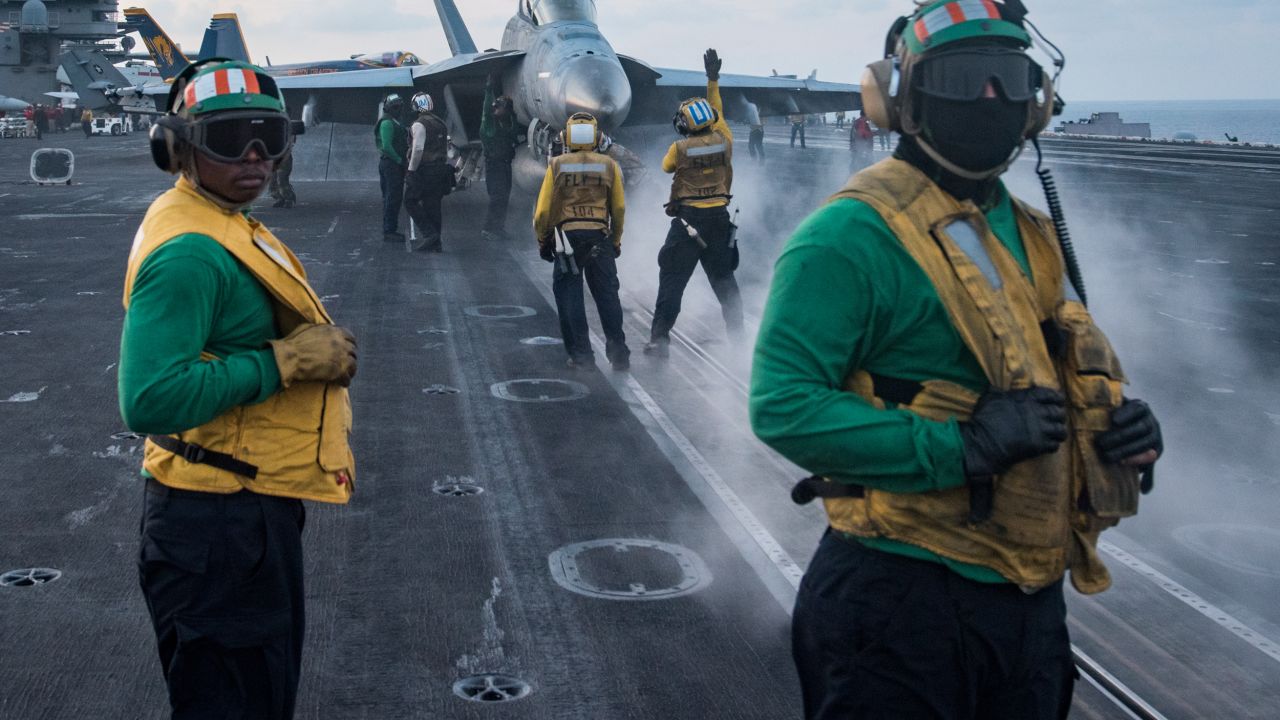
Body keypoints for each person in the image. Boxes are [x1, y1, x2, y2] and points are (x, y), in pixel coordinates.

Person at [749, 2, 1164, 718]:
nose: (990, 101)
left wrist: (1125, 436)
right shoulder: (848, 234)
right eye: (966, 78)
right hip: (898, 606)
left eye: (1009, 79)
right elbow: (782, 404)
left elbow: (1058, 371)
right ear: (902, 98)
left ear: (1039, 103)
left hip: (1030, 608)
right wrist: (961, 446)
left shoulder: (1032, 232)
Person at [119, 59, 358, 718]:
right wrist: (285, 361)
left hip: (242, 512)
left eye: (270, 137)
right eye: (229, 140)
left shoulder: (220, 214)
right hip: (215, 527)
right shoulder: (190, 249)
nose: (255, 157)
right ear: (180, 146)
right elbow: (148, 398)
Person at [644, 49, 743, 358]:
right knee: (726, 283)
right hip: (719, 220)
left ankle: (659, 339)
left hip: (687, 224)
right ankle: (739, 343)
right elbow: (718, 112)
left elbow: (665, 168)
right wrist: (712, 80)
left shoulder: (679, 149)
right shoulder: (724, 141)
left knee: (673, 281)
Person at [533, 112, 630, 371]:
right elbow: (618, 209)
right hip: (600, 238)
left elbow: (543, 211)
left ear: (567, 136)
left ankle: (581, 356)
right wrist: (616, 241)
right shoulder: (609, 166)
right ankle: (619, 354)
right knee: (608, 297)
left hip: (566, 241)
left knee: (569, 297)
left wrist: (543, 240)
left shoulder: (557, 165)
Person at [403, 91, 453, 252]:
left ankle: (429, 233)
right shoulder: (440, 123)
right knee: (433, 205)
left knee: (410, 201)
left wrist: (411, 171)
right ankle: (436, 243)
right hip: (440, 169)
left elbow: (417, 149)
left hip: (425, 170)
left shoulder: (419, 124)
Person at [480, 74, 520, 241]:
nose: (499, 109)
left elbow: (513, 127)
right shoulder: (489, 124)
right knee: (497, 197)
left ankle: (498, 228)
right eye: (500, 107)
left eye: (503, 107)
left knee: (504, 197)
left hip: (504, 165)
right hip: (495, 165)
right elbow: (487, 109)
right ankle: (489, 229)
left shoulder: (508, 122)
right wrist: (489, 89)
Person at [375, 94, 409, 242]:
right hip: (391, 164)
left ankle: (390, 228)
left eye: (399, 106)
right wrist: (399, 160)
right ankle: (389, 230)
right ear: (388, 108)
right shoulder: (387, 123)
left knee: (392, 197)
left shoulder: (394, 122)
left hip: (392, 164)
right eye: (396, 107)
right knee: (392, 198)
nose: (399, 109)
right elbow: (387, 146)